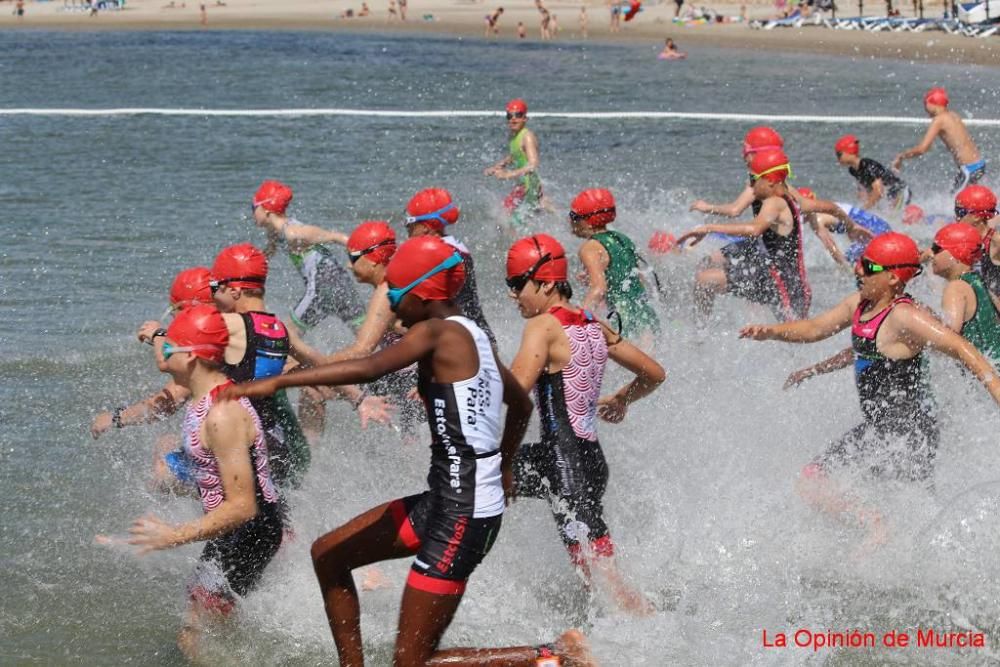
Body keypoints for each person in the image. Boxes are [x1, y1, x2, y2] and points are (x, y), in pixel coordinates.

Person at [220, 236, 596, 667]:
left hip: (465, 512)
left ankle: (554, 655)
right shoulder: (472, 333)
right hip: (446, 501)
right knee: (328, 554)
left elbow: (370, 367)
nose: (391, 306)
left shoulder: (441, 332)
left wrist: (278, 382)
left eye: (394, 295)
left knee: (411, 663)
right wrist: (505, 464)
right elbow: (521, 404)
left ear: (421, 295)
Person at [740, 232, 1000, 550]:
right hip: (881, 428)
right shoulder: (860, 305)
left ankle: (877, 530)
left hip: (907, 431)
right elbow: (816, 329)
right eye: (861, 262)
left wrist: (996, 391)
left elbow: (962, 348)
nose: (859, 270)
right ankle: (887, 543)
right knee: (888, 498)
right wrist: (772, 334)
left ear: (893, 278)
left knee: (814, 481)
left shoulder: (906, 316)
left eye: (868, 266)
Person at [506, 233, 665, 614]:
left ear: (544, 283)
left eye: (517, 285)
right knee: (472, 484)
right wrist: (621, 399)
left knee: (609, 587)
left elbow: (514, 390)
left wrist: (450, 376)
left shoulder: (543, 327)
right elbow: (654, 373)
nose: (513, 296)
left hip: (564, 467)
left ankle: (657, 639)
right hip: (587, 462)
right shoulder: (593, 322)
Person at [128, 305, 283, 660]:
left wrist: (174, 535)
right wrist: (157, 336)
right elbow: (165, 361)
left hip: (250, 533)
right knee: (208, 623)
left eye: (172, 350)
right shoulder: (201, 387)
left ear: (194, 357)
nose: (164, 359)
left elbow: (243, 506)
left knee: (194, 632)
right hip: (235, 532)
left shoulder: (222, 415)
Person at [678, 148, 812, 323]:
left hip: (782, 284)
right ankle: (700, 333)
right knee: (705, 280)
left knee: (795, 338)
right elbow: (825, 206)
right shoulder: (787, 197)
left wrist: (708, 227)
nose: (750, 186)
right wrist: (847, 221)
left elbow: (753, 229)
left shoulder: (775, 202)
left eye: (753, 180)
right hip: (778, 278)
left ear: (770, 180)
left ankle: (699, 334)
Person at [252, 180, 366, 335]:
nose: (252, 212)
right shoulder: (274, 231)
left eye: (254, 207)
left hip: (323, 286)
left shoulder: (294, 233)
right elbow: (269, 251)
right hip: (341, 285)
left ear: (266, 210)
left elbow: (336, 237)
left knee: (287, 335)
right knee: (367, 336)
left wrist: (360, 260)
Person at [404, 188, 497, 345]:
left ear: (426, 227)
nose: (407, 228)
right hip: (480, 335)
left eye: (410, 223)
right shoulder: (454, 246)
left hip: (465, 344)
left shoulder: (435, 254)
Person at [570, 188, 661, 339]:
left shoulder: (590, 248)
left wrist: (577, 321)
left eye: (573, 216)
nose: (570, 220)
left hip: (624, 320)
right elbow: (637, 280)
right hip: (647, 316)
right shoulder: (623, 239)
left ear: (587, 221)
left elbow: (599, 289)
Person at [893, 87, 986, 193]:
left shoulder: (939, 120)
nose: (924, 108)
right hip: (978, 164)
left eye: (925, 104)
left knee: (955, 201)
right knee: (968, 199)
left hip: (970, 168)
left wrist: (901, 156)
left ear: (932, 104)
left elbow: (922, 149)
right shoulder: (953, 115)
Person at [930, 223, 1000, 361]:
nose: (931, 254)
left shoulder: (956, 288)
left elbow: (947, 341)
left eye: (937, 249)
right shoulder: (980, 282)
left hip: (983, 376)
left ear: (958, 252)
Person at [485, 99, 544, 230]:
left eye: (517, 115)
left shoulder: (527, 136)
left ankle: (521, 247)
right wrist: (498, 166)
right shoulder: (513, 136)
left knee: (513, 223)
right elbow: (515, 154)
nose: (513, 119)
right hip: (522, 187)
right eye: (509, 116)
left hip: (530, 186)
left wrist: (508, 174)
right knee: (501, 216)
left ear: (525, 118)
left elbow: (533, 164)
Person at [795, 186, 885, 266]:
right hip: (879, 225)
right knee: (861, 260)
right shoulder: (826, 207)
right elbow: (851, 228)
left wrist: (845, 268)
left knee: (855, 263)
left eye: (800, 212)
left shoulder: (818, 220)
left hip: (875, 231)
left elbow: (831, 247)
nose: (799, 216)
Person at [834, 134, 911, 211]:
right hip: (890, 196)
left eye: (839, 154)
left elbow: (878, 190)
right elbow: (864, 192)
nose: (837, 158)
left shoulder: (866, 165)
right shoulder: (853, 170)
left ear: (849, 152)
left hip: (900, 192)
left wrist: (863, 210)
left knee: (893, 217)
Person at [954, 185, 1000, 296]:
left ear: (976, 217)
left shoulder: (996, 242)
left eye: (960, 212)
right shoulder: (962, 241)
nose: (956, 217)